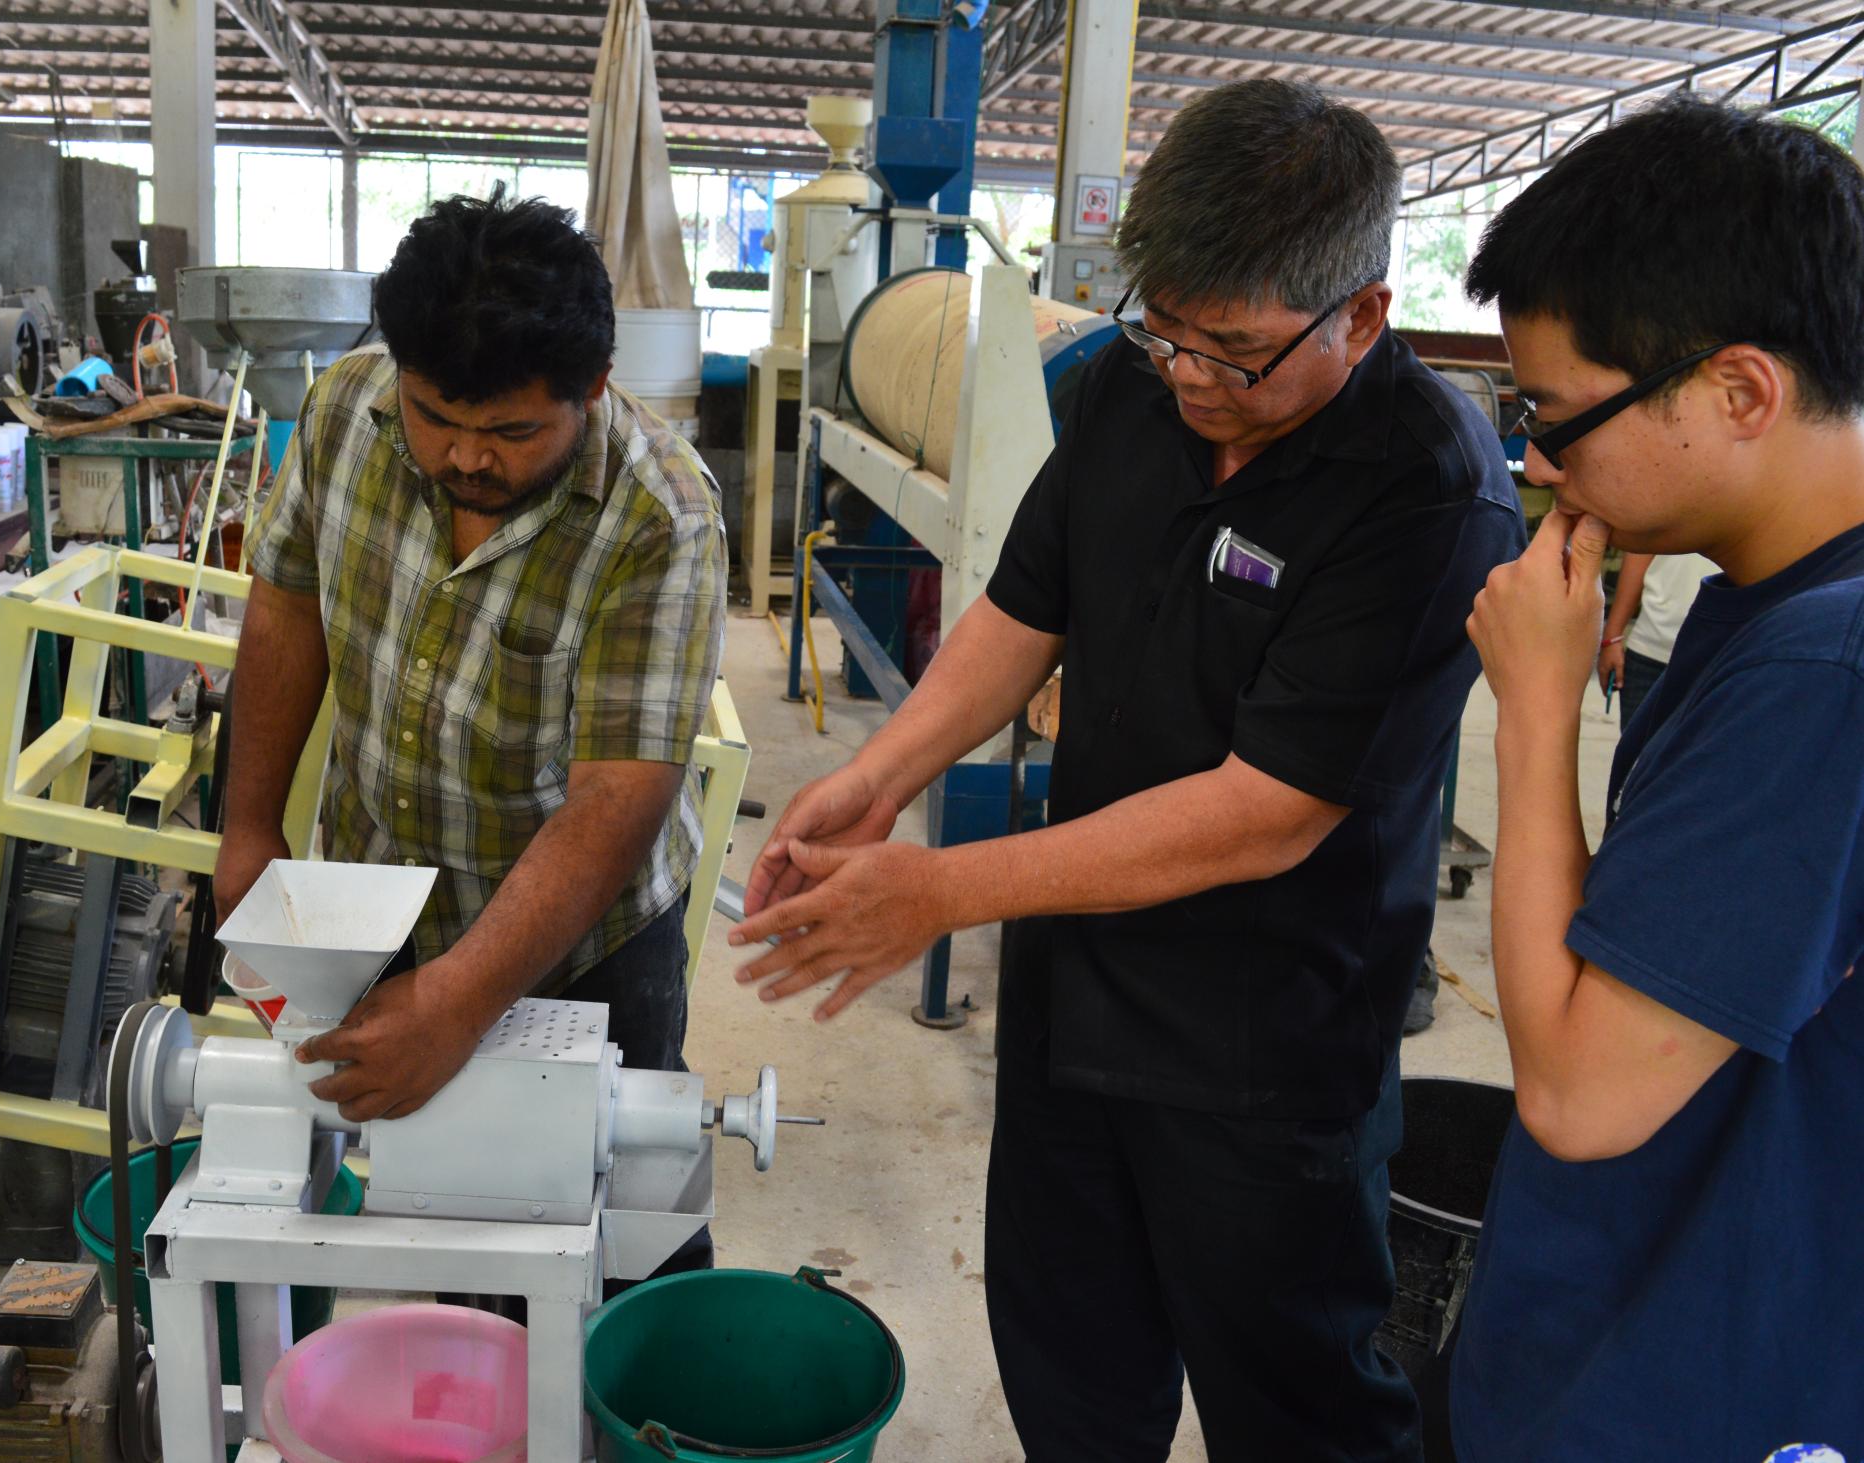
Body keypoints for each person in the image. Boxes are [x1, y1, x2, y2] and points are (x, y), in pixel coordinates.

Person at [732, 79, 1524, 1461]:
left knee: (1296, 1401)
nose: (1197, 381)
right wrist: (886, 771)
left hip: (1270, 1044)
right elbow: (1025, 608)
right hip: (1077, 1000)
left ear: (1364, 315)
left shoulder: (1430, 491)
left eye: (1237, 352)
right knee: (1073, 1368)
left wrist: (941, 889)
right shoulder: (1124, 385)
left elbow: (1264, 813)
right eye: (1170, 334)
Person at [1451, 98, 1864, 1460]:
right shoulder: (1774, 594)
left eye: (1564, 418)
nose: (1537, 458)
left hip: (1698, 1378)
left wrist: (1535, 708)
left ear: (1741, 390)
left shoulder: (1823, 671)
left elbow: (1578, 1090)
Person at [216, 189, 726, 1160]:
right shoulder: (342, 412)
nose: (464, 456)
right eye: (435, 415)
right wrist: (247, 826)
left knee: (612, 1221)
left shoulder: (662, 518)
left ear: (596, 386)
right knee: (439, 1199)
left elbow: (617, 791)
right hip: (375, 895)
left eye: (510, 431)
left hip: (581, 942)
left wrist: (457, 996)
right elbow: (286, 603)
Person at [1596, 549, 1717, 727]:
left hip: (1724, 657)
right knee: (1637, 754)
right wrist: (1612, 636)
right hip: (1649, 650)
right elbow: (1640, 550)